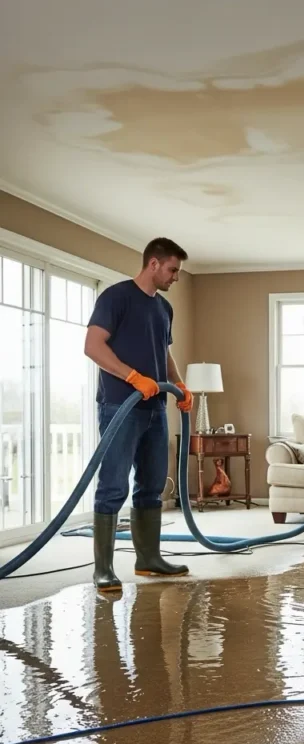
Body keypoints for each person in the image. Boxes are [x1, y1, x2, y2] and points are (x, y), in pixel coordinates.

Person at [84, 237, 194, 592]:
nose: (176, 277)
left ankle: (148, 559)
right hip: (120, 405)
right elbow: (93, 346)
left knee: (151, 485)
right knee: (113, 485)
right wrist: (131, 376)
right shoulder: (116, 297)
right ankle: (103, 569)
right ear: (154, 264)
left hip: (155, 408)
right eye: (173, 270)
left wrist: (180, 385)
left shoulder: (164, 308)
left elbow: (163, 352)